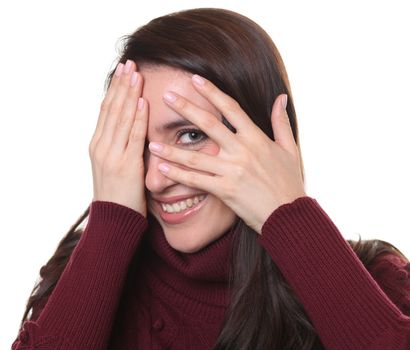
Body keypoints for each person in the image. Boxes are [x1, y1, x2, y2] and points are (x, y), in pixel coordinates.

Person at [12, 8, 410, 350]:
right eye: (136, 141)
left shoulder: (377, 283)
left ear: (266, 138)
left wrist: (289, 216)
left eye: (191, 135)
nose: (154, 180)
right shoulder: (86, 275)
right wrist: (110, 220)